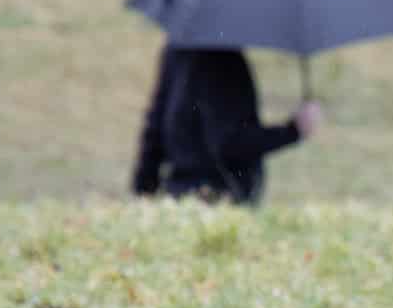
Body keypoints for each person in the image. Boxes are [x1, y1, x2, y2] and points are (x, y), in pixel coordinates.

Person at [132, 45, 321, 204]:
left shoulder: (178, 48)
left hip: (177, 194)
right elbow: (230, 143)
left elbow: (155, 126)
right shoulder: (224, 62)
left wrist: (143, 189)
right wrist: (293, 131)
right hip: (219, 201)